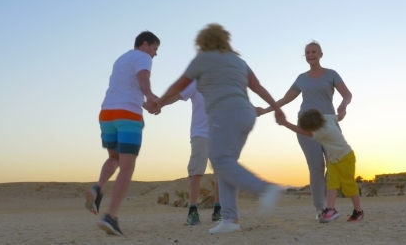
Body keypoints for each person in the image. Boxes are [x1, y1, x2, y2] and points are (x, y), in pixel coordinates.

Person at [151, 23, 285, 234]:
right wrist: (277, 108)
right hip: (246, 115)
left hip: (225, 114)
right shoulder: (238, 61)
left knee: (220, 160)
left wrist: (158, 102)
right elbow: (257, 86)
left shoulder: (202, 59)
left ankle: (264, 189)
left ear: (203, 42)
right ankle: (230, 219)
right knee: (225, 167)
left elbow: (178, 86)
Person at [257, 41, 352, 220]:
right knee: (316, 167)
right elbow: (285, 99)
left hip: (330, 125)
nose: (310, 55)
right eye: (307, 52)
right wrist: (265, 110)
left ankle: (330, 206)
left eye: (314, 52)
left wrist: (343, 105)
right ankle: (320, 209)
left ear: (321, 54)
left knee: (334, 165)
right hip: (306, 125)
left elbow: (347, 94)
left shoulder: (331, 74)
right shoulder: (302, 78)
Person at [84, 31, 161, 237]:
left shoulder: (121, 59)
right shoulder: (143, 57)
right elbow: (143, 77)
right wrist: (150, 95)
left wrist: (145, 102)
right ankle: (111, 216)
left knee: (114, 158)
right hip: (127, 115)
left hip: (107, 113)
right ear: (145, 44)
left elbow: (127, 87)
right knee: (127, 166)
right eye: (155, 49)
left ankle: (98, 188)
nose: (155, 54)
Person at [277, 109, 364, 222]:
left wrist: (285, 123)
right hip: (334, 159)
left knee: (349, 185)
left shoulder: (321, 132)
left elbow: (302, 132)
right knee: (332, 183)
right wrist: (343, 107)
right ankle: (330, 210)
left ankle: (358, 211)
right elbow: (340, 116)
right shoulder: (327, 117)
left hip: (345, 158)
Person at [159, 80, 222, 225]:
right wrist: (160, 103)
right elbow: (177, 96)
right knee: (196, 170)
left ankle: (218, 211)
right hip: (200, 133)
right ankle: (192, 212)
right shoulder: (196, 82)